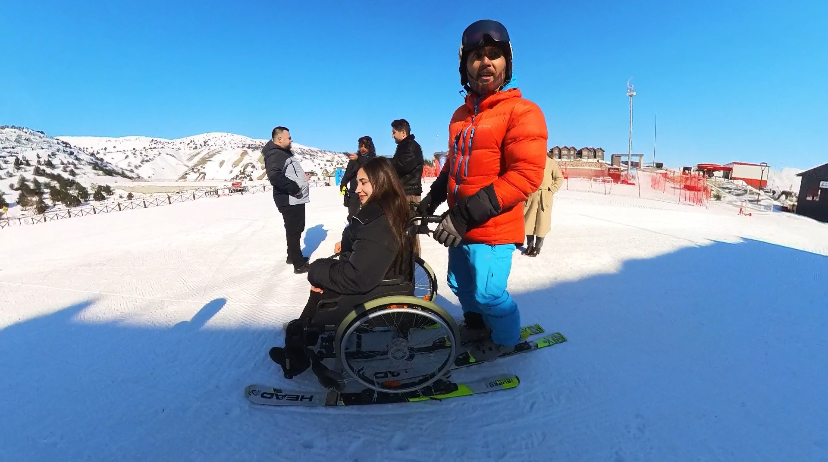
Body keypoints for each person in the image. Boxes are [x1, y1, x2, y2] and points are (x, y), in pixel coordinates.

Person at [417, 19, 548, 360]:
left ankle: (504, 341)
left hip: (494, 227)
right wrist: (431, 200)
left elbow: (525, 176)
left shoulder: (523, 111)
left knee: (489, 293)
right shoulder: (461, 115)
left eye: (494, 54)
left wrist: (462, 216)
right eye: (476, 56)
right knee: (460, 284)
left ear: (507, 63)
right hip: (462, 223)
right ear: (465, 66)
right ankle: (476, 325)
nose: (485, 62)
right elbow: (454, 166)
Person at [269, 157, 414, 383]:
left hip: (371, 288)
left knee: (320, 281)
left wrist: (317, 270)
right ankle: (300, 341)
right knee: (320, 285)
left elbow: (359, 278)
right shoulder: (387, 210)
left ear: (381, 181)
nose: (357, 189)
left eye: (364, 182)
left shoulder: (378, 220)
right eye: (358, 182)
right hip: (382, 277)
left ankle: (300, 347)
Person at [263, 126, 310, 274]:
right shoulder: (276, 154)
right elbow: (274, 176)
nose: (291, 139)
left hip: (292, 198)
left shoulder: (281, 153)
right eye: (289, 137)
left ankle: (292, 256)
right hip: (289, 198)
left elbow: (286, 173)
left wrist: (301, 179)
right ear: (279, 139)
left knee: (294, 228)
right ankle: (299, 264)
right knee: (294, 230)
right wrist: (294, 187)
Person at [391, 119, 424, 251]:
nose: (392, 135)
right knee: (401, 229)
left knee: (410, 230)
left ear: (403, 132)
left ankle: (413, 261)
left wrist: (383, 163)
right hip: (404, 193)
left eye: (394, 132)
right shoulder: (404, 146)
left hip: (409, 194)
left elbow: (401, 166)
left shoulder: (410, 146)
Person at [523, 154, 564, 256]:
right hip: (531, 195)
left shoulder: (550, 163)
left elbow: (559, 178)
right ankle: (529, 246)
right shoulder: (531, 161)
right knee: (529, 222)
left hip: (544, 197)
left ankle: (537, 247)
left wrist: (550, 190)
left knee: (542, 223)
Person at [339, 136, 376, 222]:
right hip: (354, 192)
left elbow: (369, 166)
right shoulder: (354, 160)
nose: (362, 148)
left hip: (368, 193)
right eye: (360, 146)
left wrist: (358, 159)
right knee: (353, 216)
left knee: (368, 215)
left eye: (365, 146)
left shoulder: (373, 159)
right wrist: (343, 185)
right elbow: (347, 174)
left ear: (370, 147)